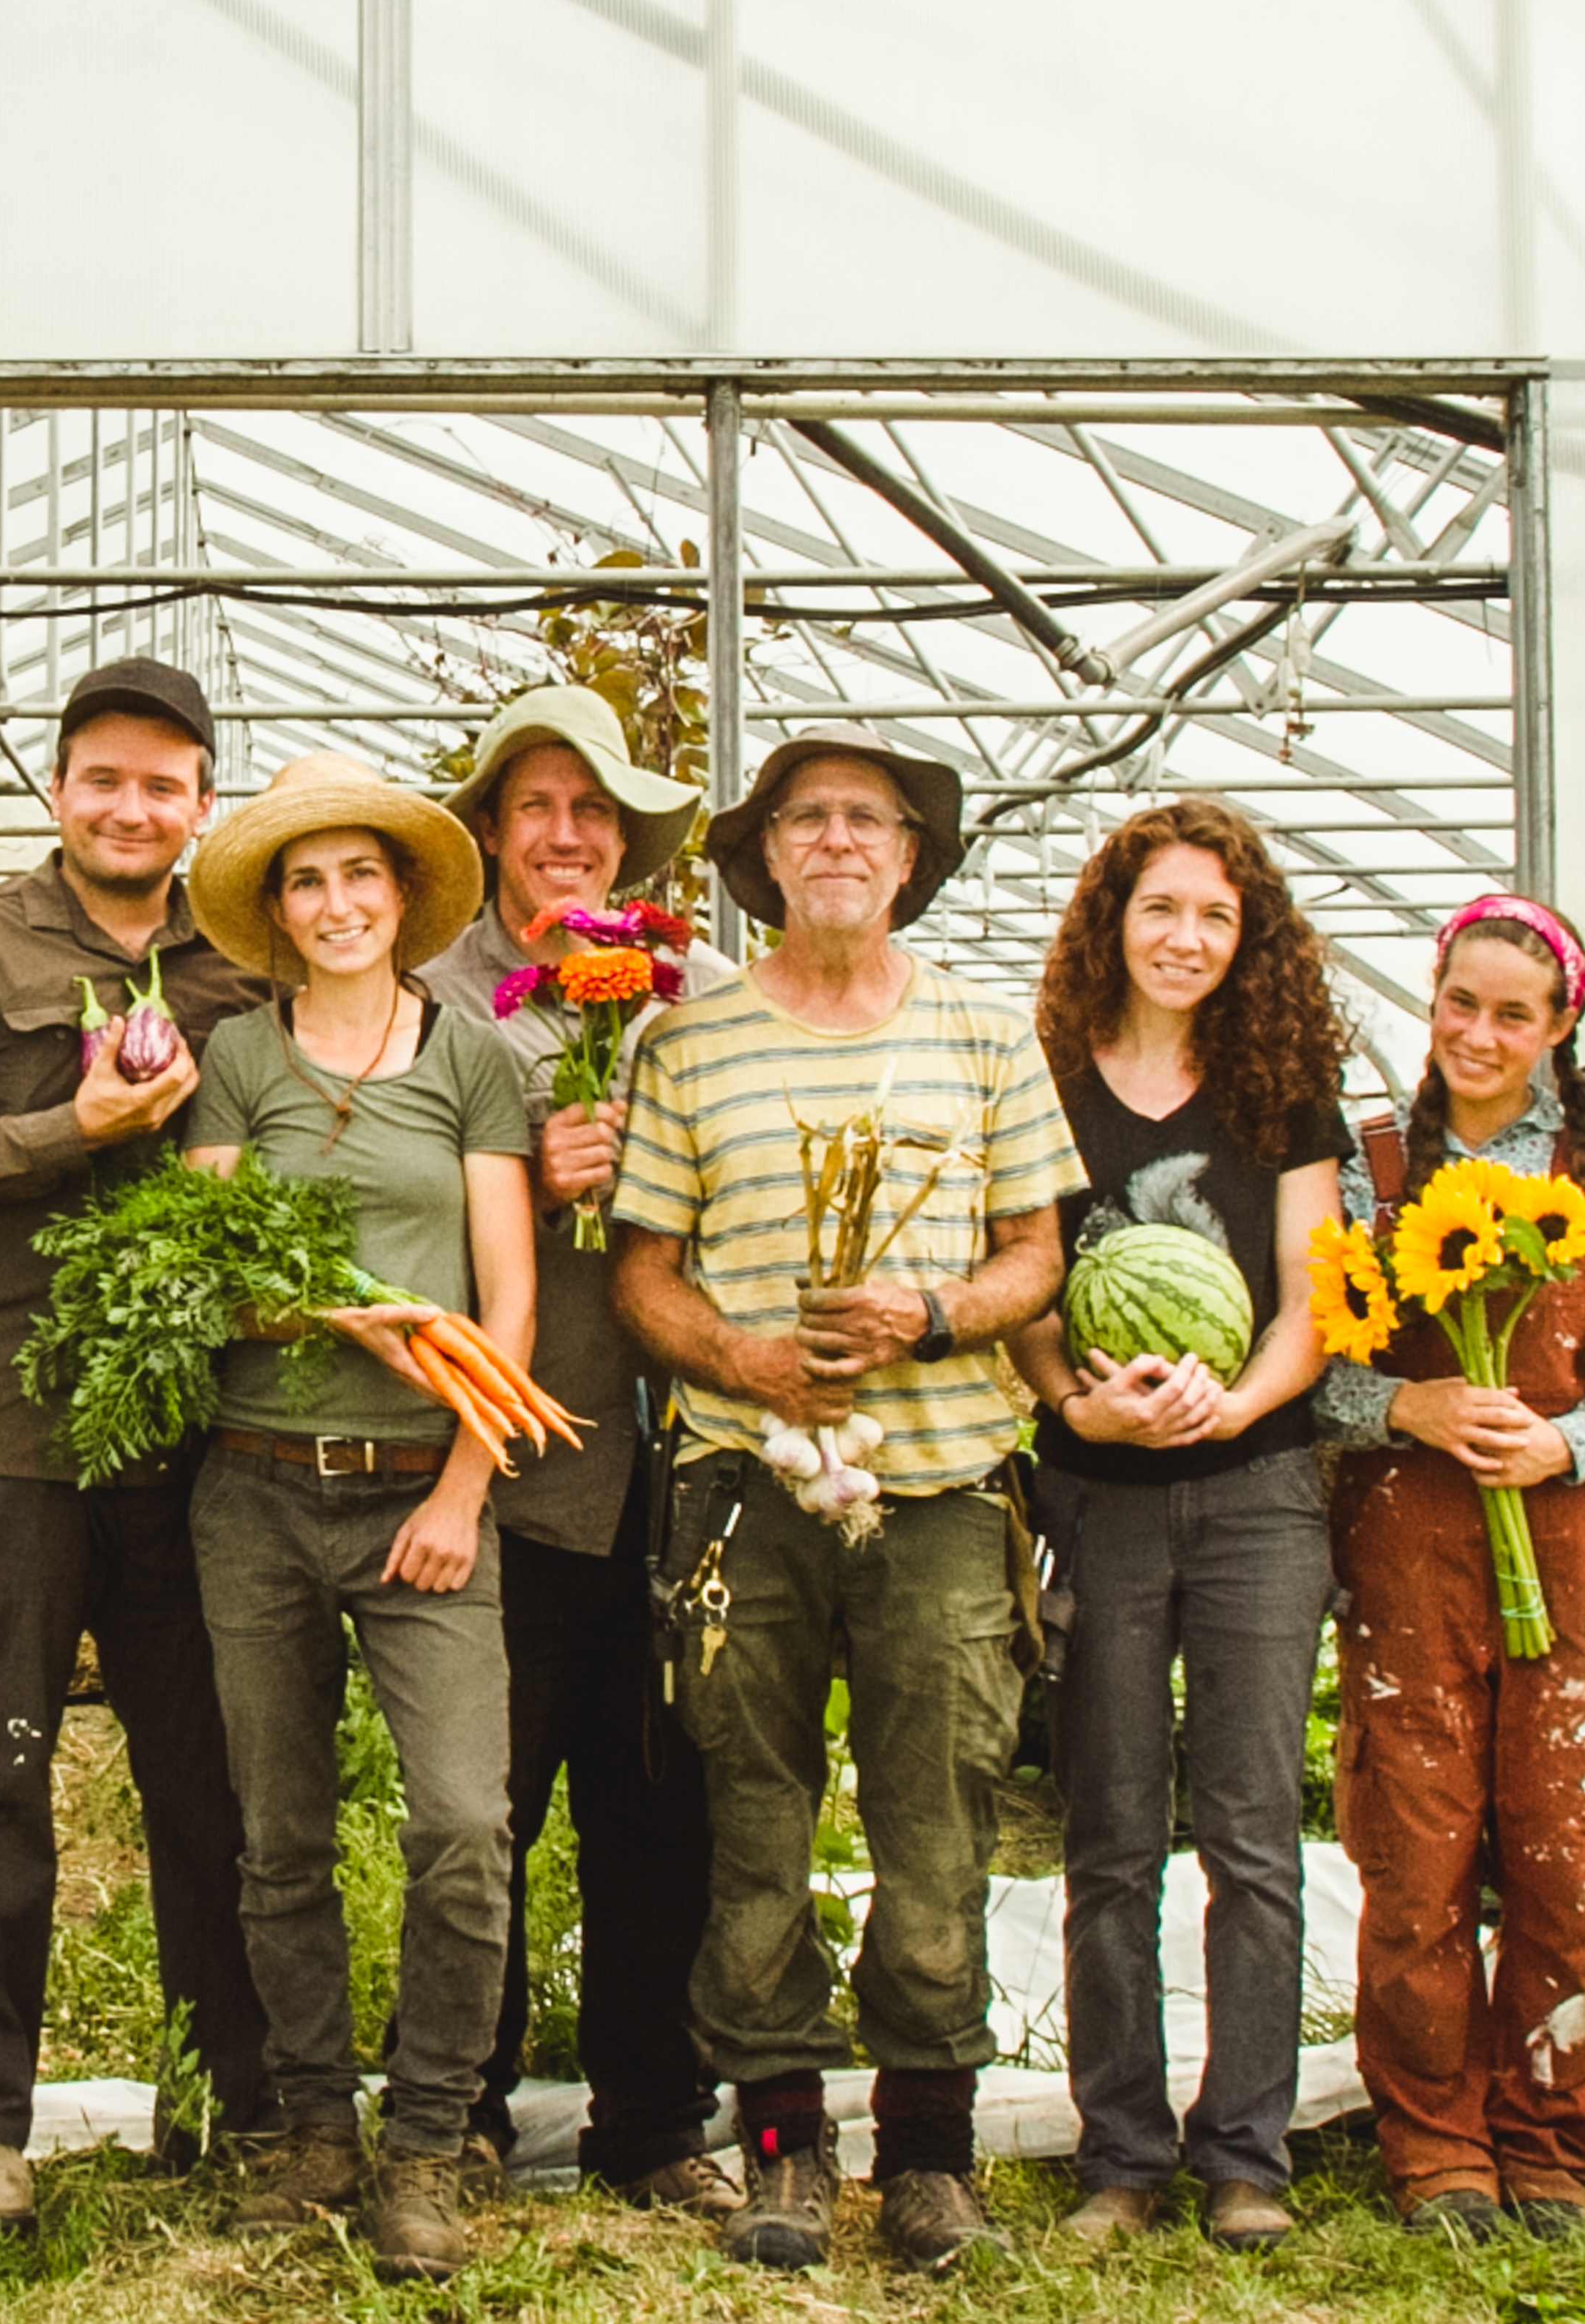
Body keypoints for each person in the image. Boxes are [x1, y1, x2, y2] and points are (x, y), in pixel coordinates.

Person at [607, 724, 1076, 2274]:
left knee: (939, 1805)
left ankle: (930, 2152)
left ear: (910, 860)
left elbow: (1038, 1258)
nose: (836, 841)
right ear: (764, 861)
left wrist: (929, 1316)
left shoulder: (989, 1038)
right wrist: (742, 1355)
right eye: (805, 819)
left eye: (868, 821)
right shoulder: (687, 1044)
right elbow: (643, 1281)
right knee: (752, 1802)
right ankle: (780, 2144)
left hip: (941, 1480)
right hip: (744, 1486)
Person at [0, 654, 283, 2230]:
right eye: (105, 778)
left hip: (197, 1436)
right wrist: (62, 1133)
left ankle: (223, 2100)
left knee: (208, 1780)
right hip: (7, 1430)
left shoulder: (249, 962)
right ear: (58, 789)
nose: (133, 807)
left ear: (201, 805)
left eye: (165, 785)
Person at [177, 753, 541, 2281]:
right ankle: (314, 2124)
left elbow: (508, 1293)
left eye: (361, 877)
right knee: (281, 1837)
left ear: (403, 900)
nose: (337, 903)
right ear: (278, 914)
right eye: (307, 881)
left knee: (465, 1828)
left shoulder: (472, 1057)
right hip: (257, 1488)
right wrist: (346, 1318)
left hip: (424, 1502)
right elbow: (201, 1265)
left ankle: (426, 2142)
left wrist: (466, 1482)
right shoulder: (234, 1061)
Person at [1314, 894, 1585, 2238]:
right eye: (1458, 1003)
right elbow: (1311, 1367)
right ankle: (1435, 2141)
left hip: (1573, 1547)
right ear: (1433, 1002)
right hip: (1410, 1547)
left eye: (1512, 1014)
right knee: (1413, 1851)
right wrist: (1404, 1407)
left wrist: (1570, 1441)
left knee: (1570, 1847)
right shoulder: (1368, 1160)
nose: (1478, 1033)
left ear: (1559, 1030)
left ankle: (1556, 2137)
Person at [1007, 799, 1350, 2256]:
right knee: (1111, 1834)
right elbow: (1017, 1284)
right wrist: (1073, 1403)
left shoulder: (1286, 1086)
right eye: (1162, 911)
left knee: (1255, 1834)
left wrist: (1238, 1400)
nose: (1187, 939)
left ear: (1245, 936)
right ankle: (1122, 2153)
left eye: (1215, 916)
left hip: (1262, 1492)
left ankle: (1247, 2155)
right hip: (1098, 1493)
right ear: (1114, 922)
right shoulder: (1048, 1085)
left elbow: (1317, 1296)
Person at [412, 683, 736, 2223]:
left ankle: (655, 2117)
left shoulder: (699, 991)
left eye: (593, 812)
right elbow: (399, 1224)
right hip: (515, 1467)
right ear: (489, 835)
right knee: (492, 1803)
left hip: (684, 1480)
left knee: (658, 1807)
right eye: (536, 807)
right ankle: (466, 2103)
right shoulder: (430, 996)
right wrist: (529, 1189)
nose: (566, 836)